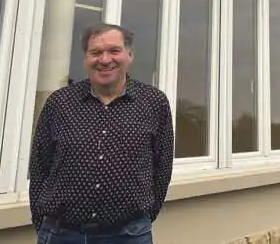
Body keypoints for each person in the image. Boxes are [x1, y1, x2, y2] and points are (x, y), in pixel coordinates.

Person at [29, 23, 174, 244]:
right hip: (62, 234)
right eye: (96, 52)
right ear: (85, 59)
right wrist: (43, 225)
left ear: (130, 55)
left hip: (129, 235)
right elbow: (40, 166)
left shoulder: (154, 103)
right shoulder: (60, 103)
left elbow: (162, 167)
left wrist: (143, 217)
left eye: (114, 51)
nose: (105, 60)